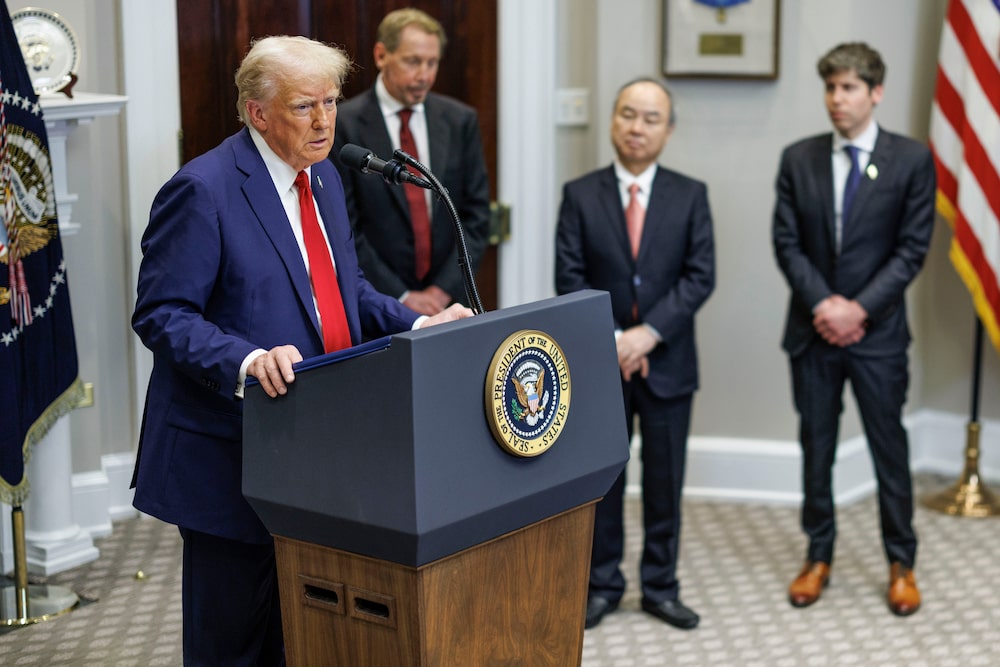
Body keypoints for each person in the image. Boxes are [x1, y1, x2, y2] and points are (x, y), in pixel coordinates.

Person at [131, 36, 472, 665]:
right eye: (303, 107)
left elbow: (344, 293)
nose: (323, 122)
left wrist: (421, 328)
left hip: (314, 444)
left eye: (331, 103)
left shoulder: (326, 179)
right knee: (231, 641)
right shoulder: (203, 189)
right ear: (257, 113)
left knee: (300, 636)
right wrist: (244, 360)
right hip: (230, 451)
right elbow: (161, 314)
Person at [772, 42, 934, 617]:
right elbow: (786, 243)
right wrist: (824, 304)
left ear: (876, 93)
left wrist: (857, 310)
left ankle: (901, 561)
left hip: (879, 335)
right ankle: (818, 555)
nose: (836, 100)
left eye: (848, 89)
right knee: (817, 447)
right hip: (812, 332)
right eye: (830, 88)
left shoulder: (911, 160)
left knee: (889, 448)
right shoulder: (798, 158)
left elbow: (912, 249)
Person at [556, 78, 715, 630]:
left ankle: (660, 585)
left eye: (651, 118)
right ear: (613, 121)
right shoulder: (580, 193)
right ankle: (602, 583)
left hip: (668, 363)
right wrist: (618, 342)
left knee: (665, 482)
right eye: (628, 114)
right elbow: (570, 279)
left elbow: (700, 277)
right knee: (606, 481)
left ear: (668, 130)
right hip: (602, 366)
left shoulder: (691, 194)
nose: (637, 127)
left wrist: (648, 335)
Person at [332, 7, 490, 316]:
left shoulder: (460, 121)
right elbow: (345, 227)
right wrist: (401, 295)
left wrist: (442, 290)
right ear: (381, 55)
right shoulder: (344, 125)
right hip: (378, 304)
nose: (425, 75)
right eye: (413, 61)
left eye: (432, 63)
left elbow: (476, 217)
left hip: (452, 300)